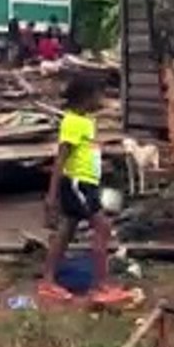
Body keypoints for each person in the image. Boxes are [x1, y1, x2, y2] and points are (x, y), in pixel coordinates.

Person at [41, 76, 130, 305]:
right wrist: (51, 195)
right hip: (77, 182)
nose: (101, 99)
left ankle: (48, 282)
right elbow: (61, 159)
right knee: (103, 227)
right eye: (98, 94)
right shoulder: (72, 122)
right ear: (86, 97)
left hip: (85, 183)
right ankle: (100, 287)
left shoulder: (85, 121)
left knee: (66, 231)